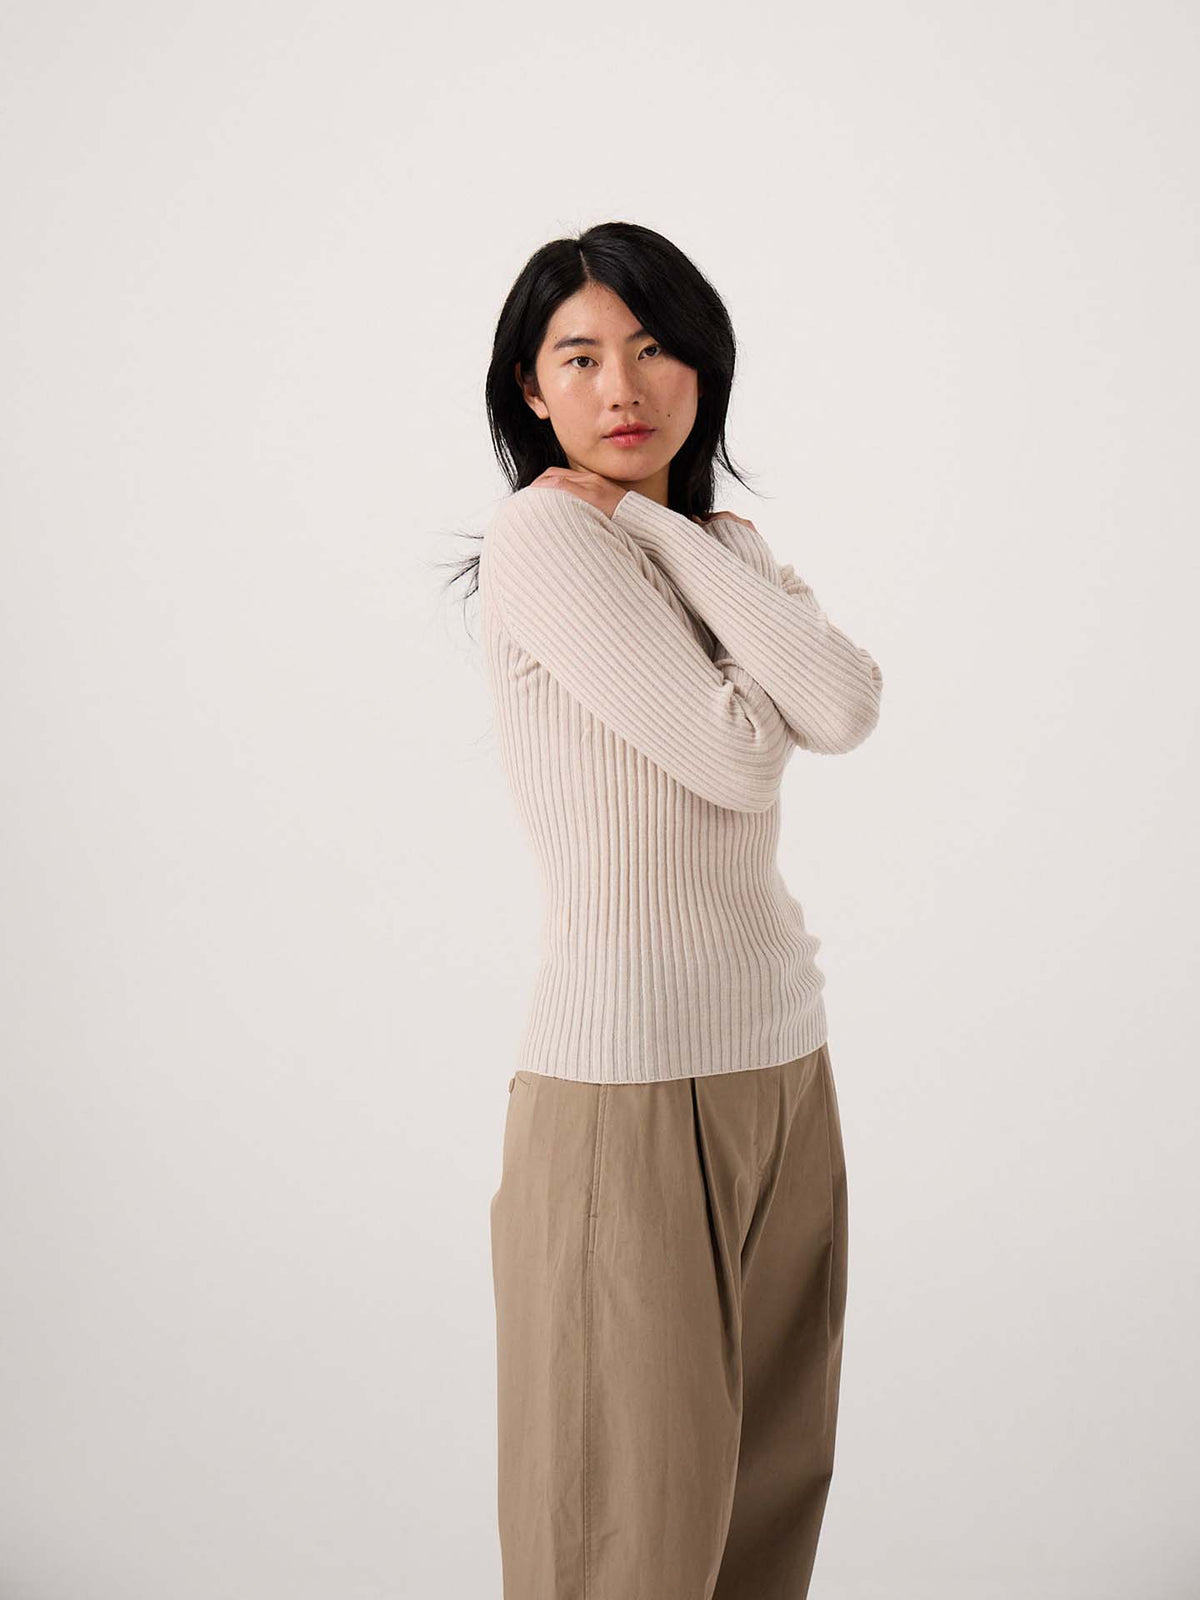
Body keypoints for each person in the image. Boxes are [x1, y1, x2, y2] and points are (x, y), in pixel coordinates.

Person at [449, 220, 883, 1599]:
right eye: (579, 357)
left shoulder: (709, 540)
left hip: (780, 1059)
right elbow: (744, 748)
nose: (621, 387)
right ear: (532, 390)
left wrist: (663, 526)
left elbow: (843, 706)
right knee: (624, 1532)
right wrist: (645, 536)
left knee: (762, 1504)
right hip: (625, 1081)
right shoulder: (537, 536)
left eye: (652, 348)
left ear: (704, 366)